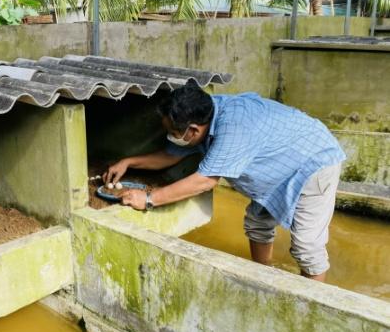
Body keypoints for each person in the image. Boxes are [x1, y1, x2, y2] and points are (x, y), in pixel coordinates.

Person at [103, 82, 346, 282]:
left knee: (306, 245)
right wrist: (129, 162)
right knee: (258, 222)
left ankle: (312, 305)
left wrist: (148, 199)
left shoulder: (234, 128)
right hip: (277, 162)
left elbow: (205, 181)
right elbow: (170, 155)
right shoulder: (207, 111)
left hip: (313, 162)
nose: (169, 138)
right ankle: (264, 278)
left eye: (173, 133)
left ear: (194, 131)